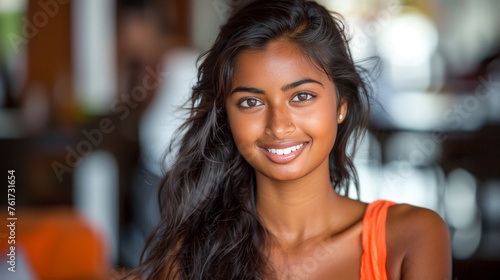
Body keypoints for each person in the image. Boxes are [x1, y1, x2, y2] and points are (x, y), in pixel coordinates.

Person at [133, 0, 452, 279]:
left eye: (301, 96)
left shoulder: (412, 235)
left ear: (340, 106)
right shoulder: (192, 253)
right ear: (226, 117)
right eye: (251, 102)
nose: (278, 126)